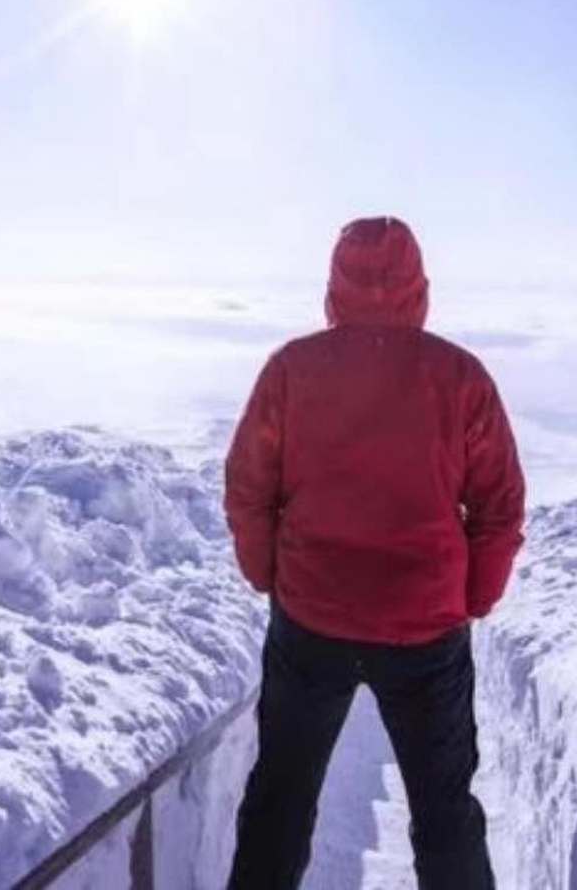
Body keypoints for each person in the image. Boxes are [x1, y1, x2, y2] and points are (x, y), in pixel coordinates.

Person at [224, 216, 526, 890]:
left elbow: (248, 489)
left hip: (310, 624)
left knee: (280, 802)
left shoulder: (290, 370)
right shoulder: (460, 377)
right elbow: (499, 505)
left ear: (333, 287)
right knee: (445, 814)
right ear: (420, 287)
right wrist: (470, 598)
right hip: (426, 634)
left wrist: (268, 575)